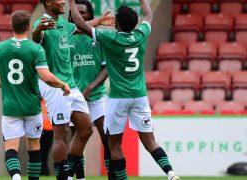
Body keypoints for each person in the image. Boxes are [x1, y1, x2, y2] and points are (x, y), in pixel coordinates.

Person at [68, 0, 181, 180]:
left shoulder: (110, 38)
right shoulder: (141, 34)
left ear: (117, 24)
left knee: (113, 144)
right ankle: (170, 172)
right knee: (150, 141)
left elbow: (80, 25)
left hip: (118, 98)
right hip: (140, 97)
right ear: (135, 23)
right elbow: (149, 15)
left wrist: (71, 3)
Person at [32, 1, 114, 179]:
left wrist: (100, 20)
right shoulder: (42, 23)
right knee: (61, 134)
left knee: (86, 129)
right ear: (47, 2)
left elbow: (81, 27)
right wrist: (37, 29)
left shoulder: (64, 24)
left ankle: (69, 172)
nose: (63, 2)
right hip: (55, 86)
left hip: (72, 86)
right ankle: (63, 176)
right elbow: (35, 38)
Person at [0, 10, 70, 180]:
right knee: (34, 146)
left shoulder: (0, 48)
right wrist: (62, 84)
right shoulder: (35, 48)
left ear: (11, 25)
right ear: (28, 27)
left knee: (11, 147)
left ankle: (16, 177)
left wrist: (4, 85)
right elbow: (45, 77)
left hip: (10, 107)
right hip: (32, 106)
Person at [67, 0, 114, 179]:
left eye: (83, 13)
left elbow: (107, 67)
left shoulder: (98, 37)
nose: (78, 15)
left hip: (96, 97)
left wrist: (89, 87)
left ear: (90, 15)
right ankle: (80, 177)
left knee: (107, 139)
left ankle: (112, 175)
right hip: (73, 98)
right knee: (78, 140)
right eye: (75, 13)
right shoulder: (65, 37)